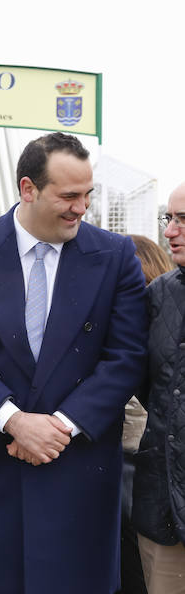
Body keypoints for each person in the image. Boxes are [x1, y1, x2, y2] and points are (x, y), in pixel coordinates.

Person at [0, 131, 148, 593]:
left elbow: (126, 357)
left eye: (87, 194)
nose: (81, 207)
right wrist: (14, 421)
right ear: (28, 189)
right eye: (69, 195)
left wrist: (59, 426)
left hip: (79, 466)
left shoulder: (115, 256)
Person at [132, 189, 185, 593]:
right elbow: (142, 388)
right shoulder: (158, 296)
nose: (170, 231)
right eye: (168, 218)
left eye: (182, 219)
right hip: (163, 507)